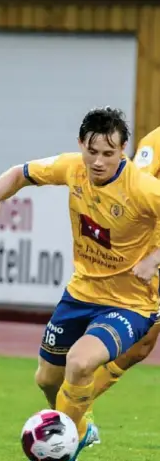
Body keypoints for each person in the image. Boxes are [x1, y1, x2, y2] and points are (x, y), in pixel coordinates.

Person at [0, 107, 160, 461]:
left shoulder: (142, 187)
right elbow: (20, 173)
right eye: (92, 151)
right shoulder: (72, 167)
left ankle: (62, 455)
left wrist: (155, 258)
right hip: (80, 294)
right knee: (46, 380)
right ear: (81, 144)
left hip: (130, 302)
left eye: (108, 154)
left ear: (123, 151)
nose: (98, 161)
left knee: (80, 363)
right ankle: (82, 426)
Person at [85, 125, 160, 419]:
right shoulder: (154, 142)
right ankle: (76, 403)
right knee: (141, 345)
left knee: (142, 347)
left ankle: (75, 403)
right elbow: (135, 188)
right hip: (153, 250)